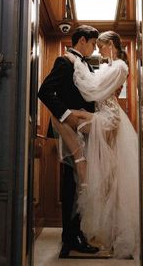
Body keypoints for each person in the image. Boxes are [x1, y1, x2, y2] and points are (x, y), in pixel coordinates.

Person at [52, 30, 140, 259]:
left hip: (108, 118)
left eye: (100, 46)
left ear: (110, 44)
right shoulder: (108, 65)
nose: (98, 51)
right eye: (96, 46)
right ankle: (79, 159)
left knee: (64, 116)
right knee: (106, 177)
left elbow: (92, 90)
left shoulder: (119, 66)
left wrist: (75, 62)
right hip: (101, 116)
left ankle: (79, 160)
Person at [38, 25, 100, 258]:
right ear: (82, 40)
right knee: (71, 185)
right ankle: (70, 237)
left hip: (83, 131)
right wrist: (67, 116)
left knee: (78, 184)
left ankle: (75, 234)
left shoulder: (84, 64)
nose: (94, 49)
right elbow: (45, 91)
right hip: (67, 131)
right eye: (93, 43)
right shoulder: (64, 62)